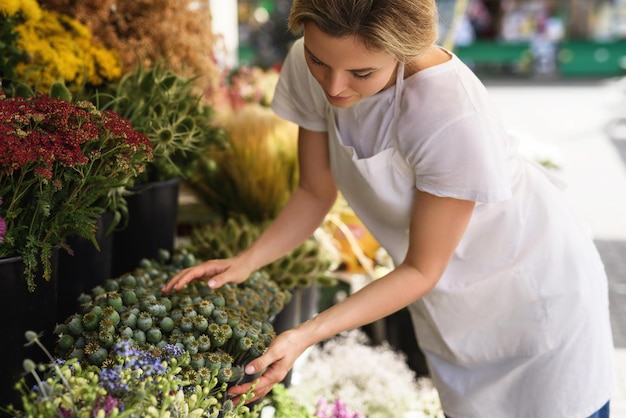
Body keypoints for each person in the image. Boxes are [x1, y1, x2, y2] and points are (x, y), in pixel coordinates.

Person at [162, 0, 615, 416]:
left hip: (532, 297)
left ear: (403, 51)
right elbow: (314, 193)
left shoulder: (450, 115)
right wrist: (247, 261)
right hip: (447, 301)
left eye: (362, 73)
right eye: (320, 61)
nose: (335, 87)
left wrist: (306, 333)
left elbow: (421, 269)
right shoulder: (312, 61)